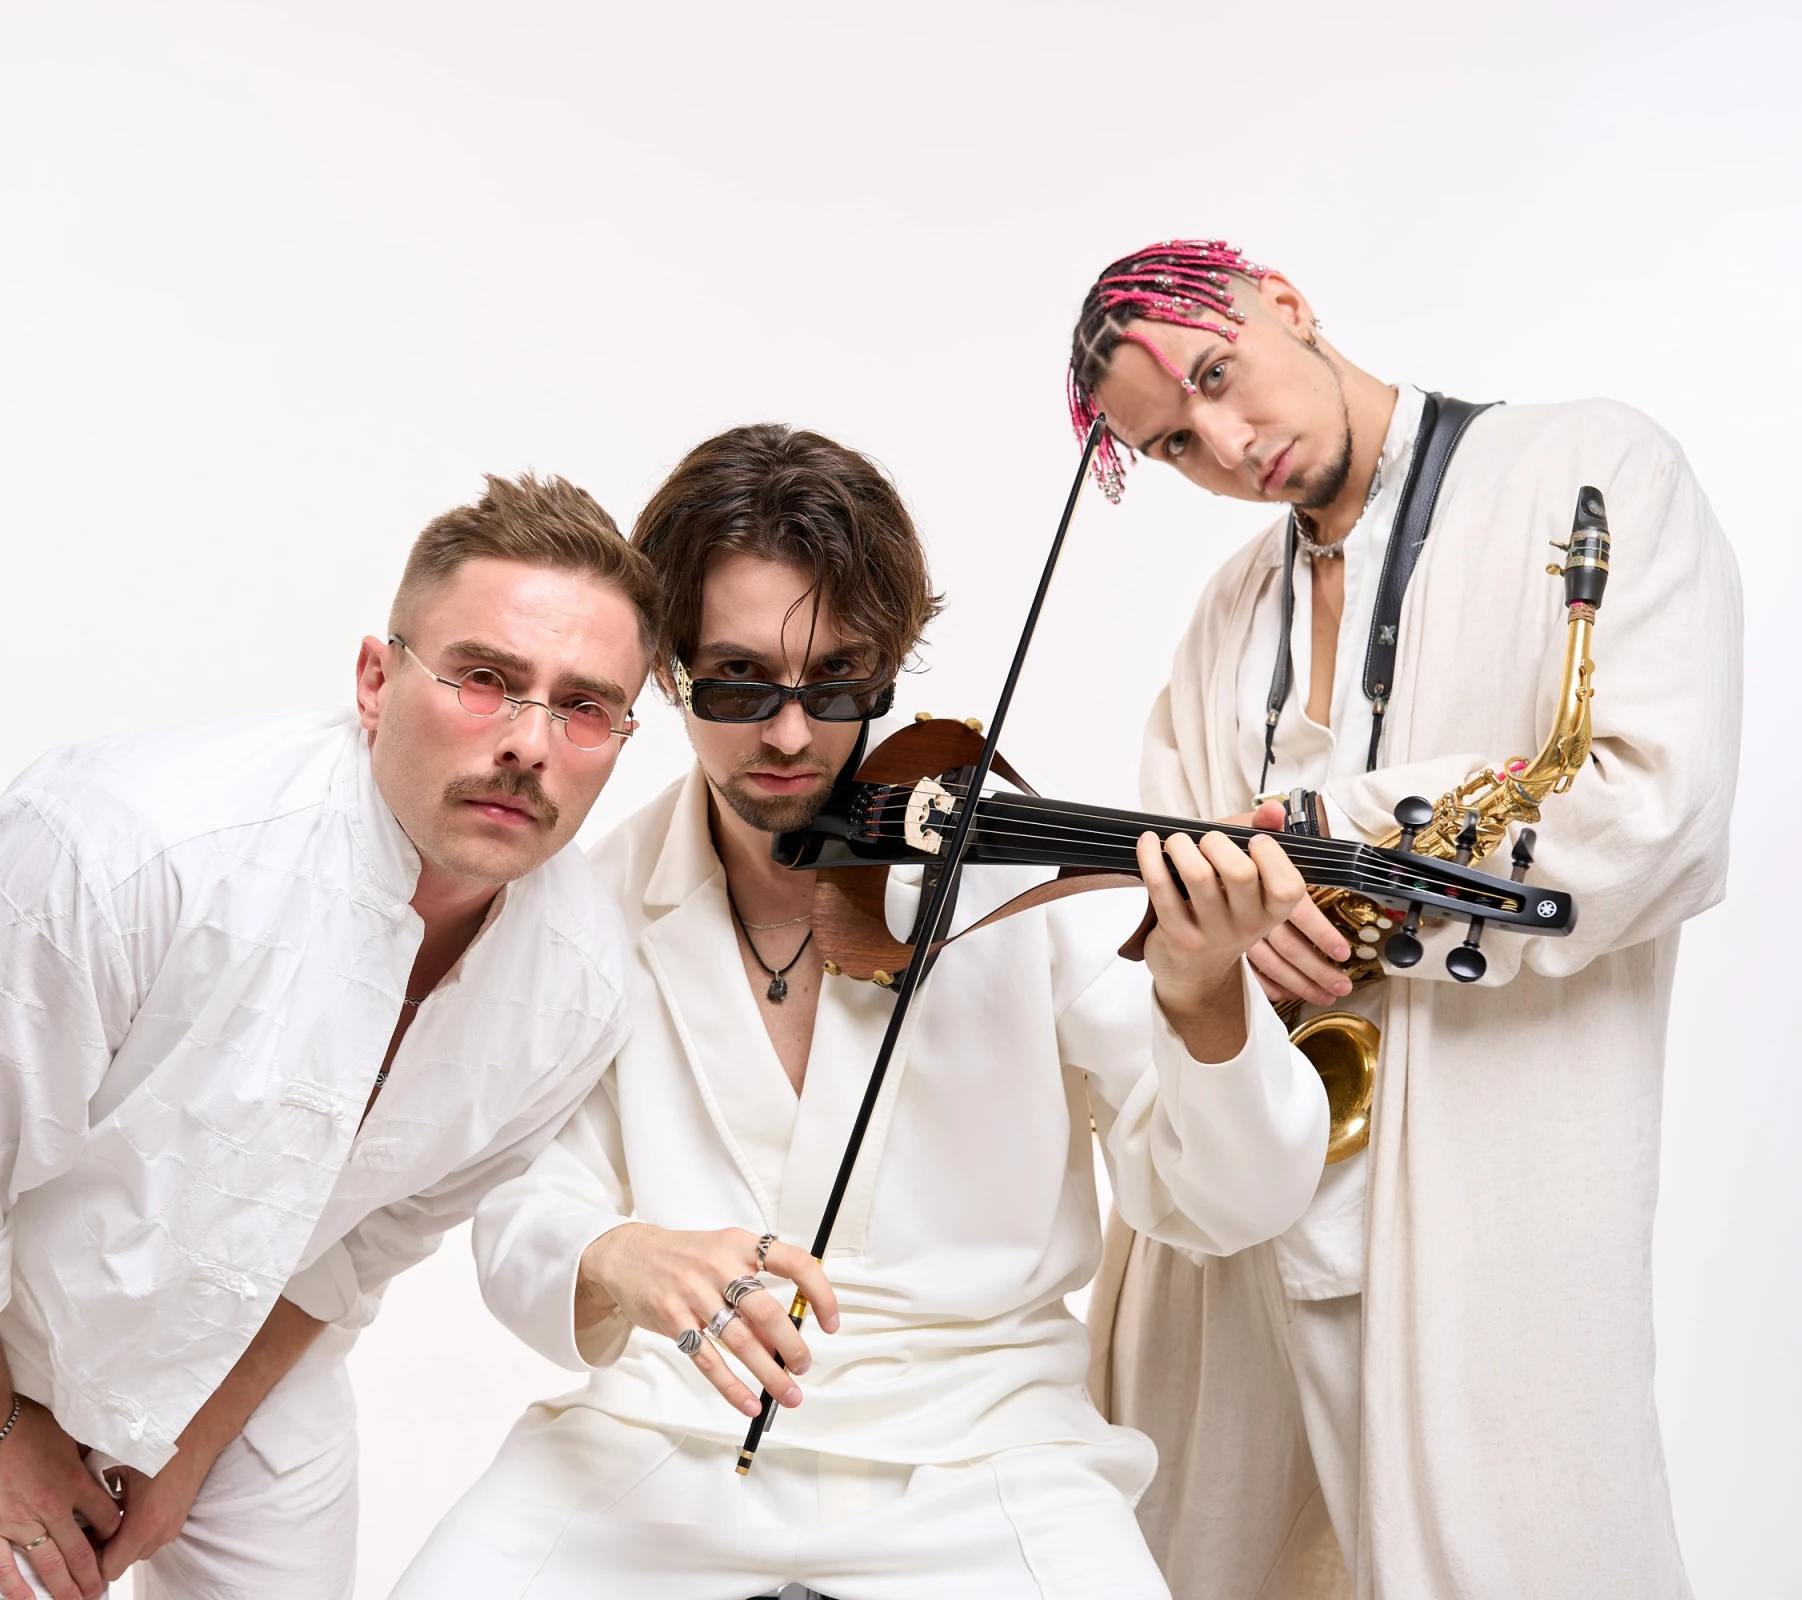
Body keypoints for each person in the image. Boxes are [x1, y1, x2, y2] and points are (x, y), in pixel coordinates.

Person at [392, 423, 1330, 1600]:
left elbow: (1238, 1202)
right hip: (660, 1438)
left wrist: (1203, 996)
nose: (791, 734)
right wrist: (623, 1254)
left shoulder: (1016, 883)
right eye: (739, 681)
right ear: (667, 670)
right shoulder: (589, 903)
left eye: (837, 682)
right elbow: (524, 1202)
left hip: (987, 1454)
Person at [0, 474, 657, 1600]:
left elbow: (366, 1240)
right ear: (376, 679)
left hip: (244, 1354)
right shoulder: (121, 846)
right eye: (484, 680)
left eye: (585, 706)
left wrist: (195, 1443)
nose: (529, 743)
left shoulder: (583, 986)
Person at [1063, 240, 1743, 1599]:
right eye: (1174, 444)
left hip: (1481, 1204)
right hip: (1238, 1229)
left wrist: (1329, 841)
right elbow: (1173, 886)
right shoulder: (1224, 612)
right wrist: (1226, 941)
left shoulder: (1593, 469)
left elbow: (1657, 811)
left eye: (1217, 376)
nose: (1225, 443)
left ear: (1286, 304)